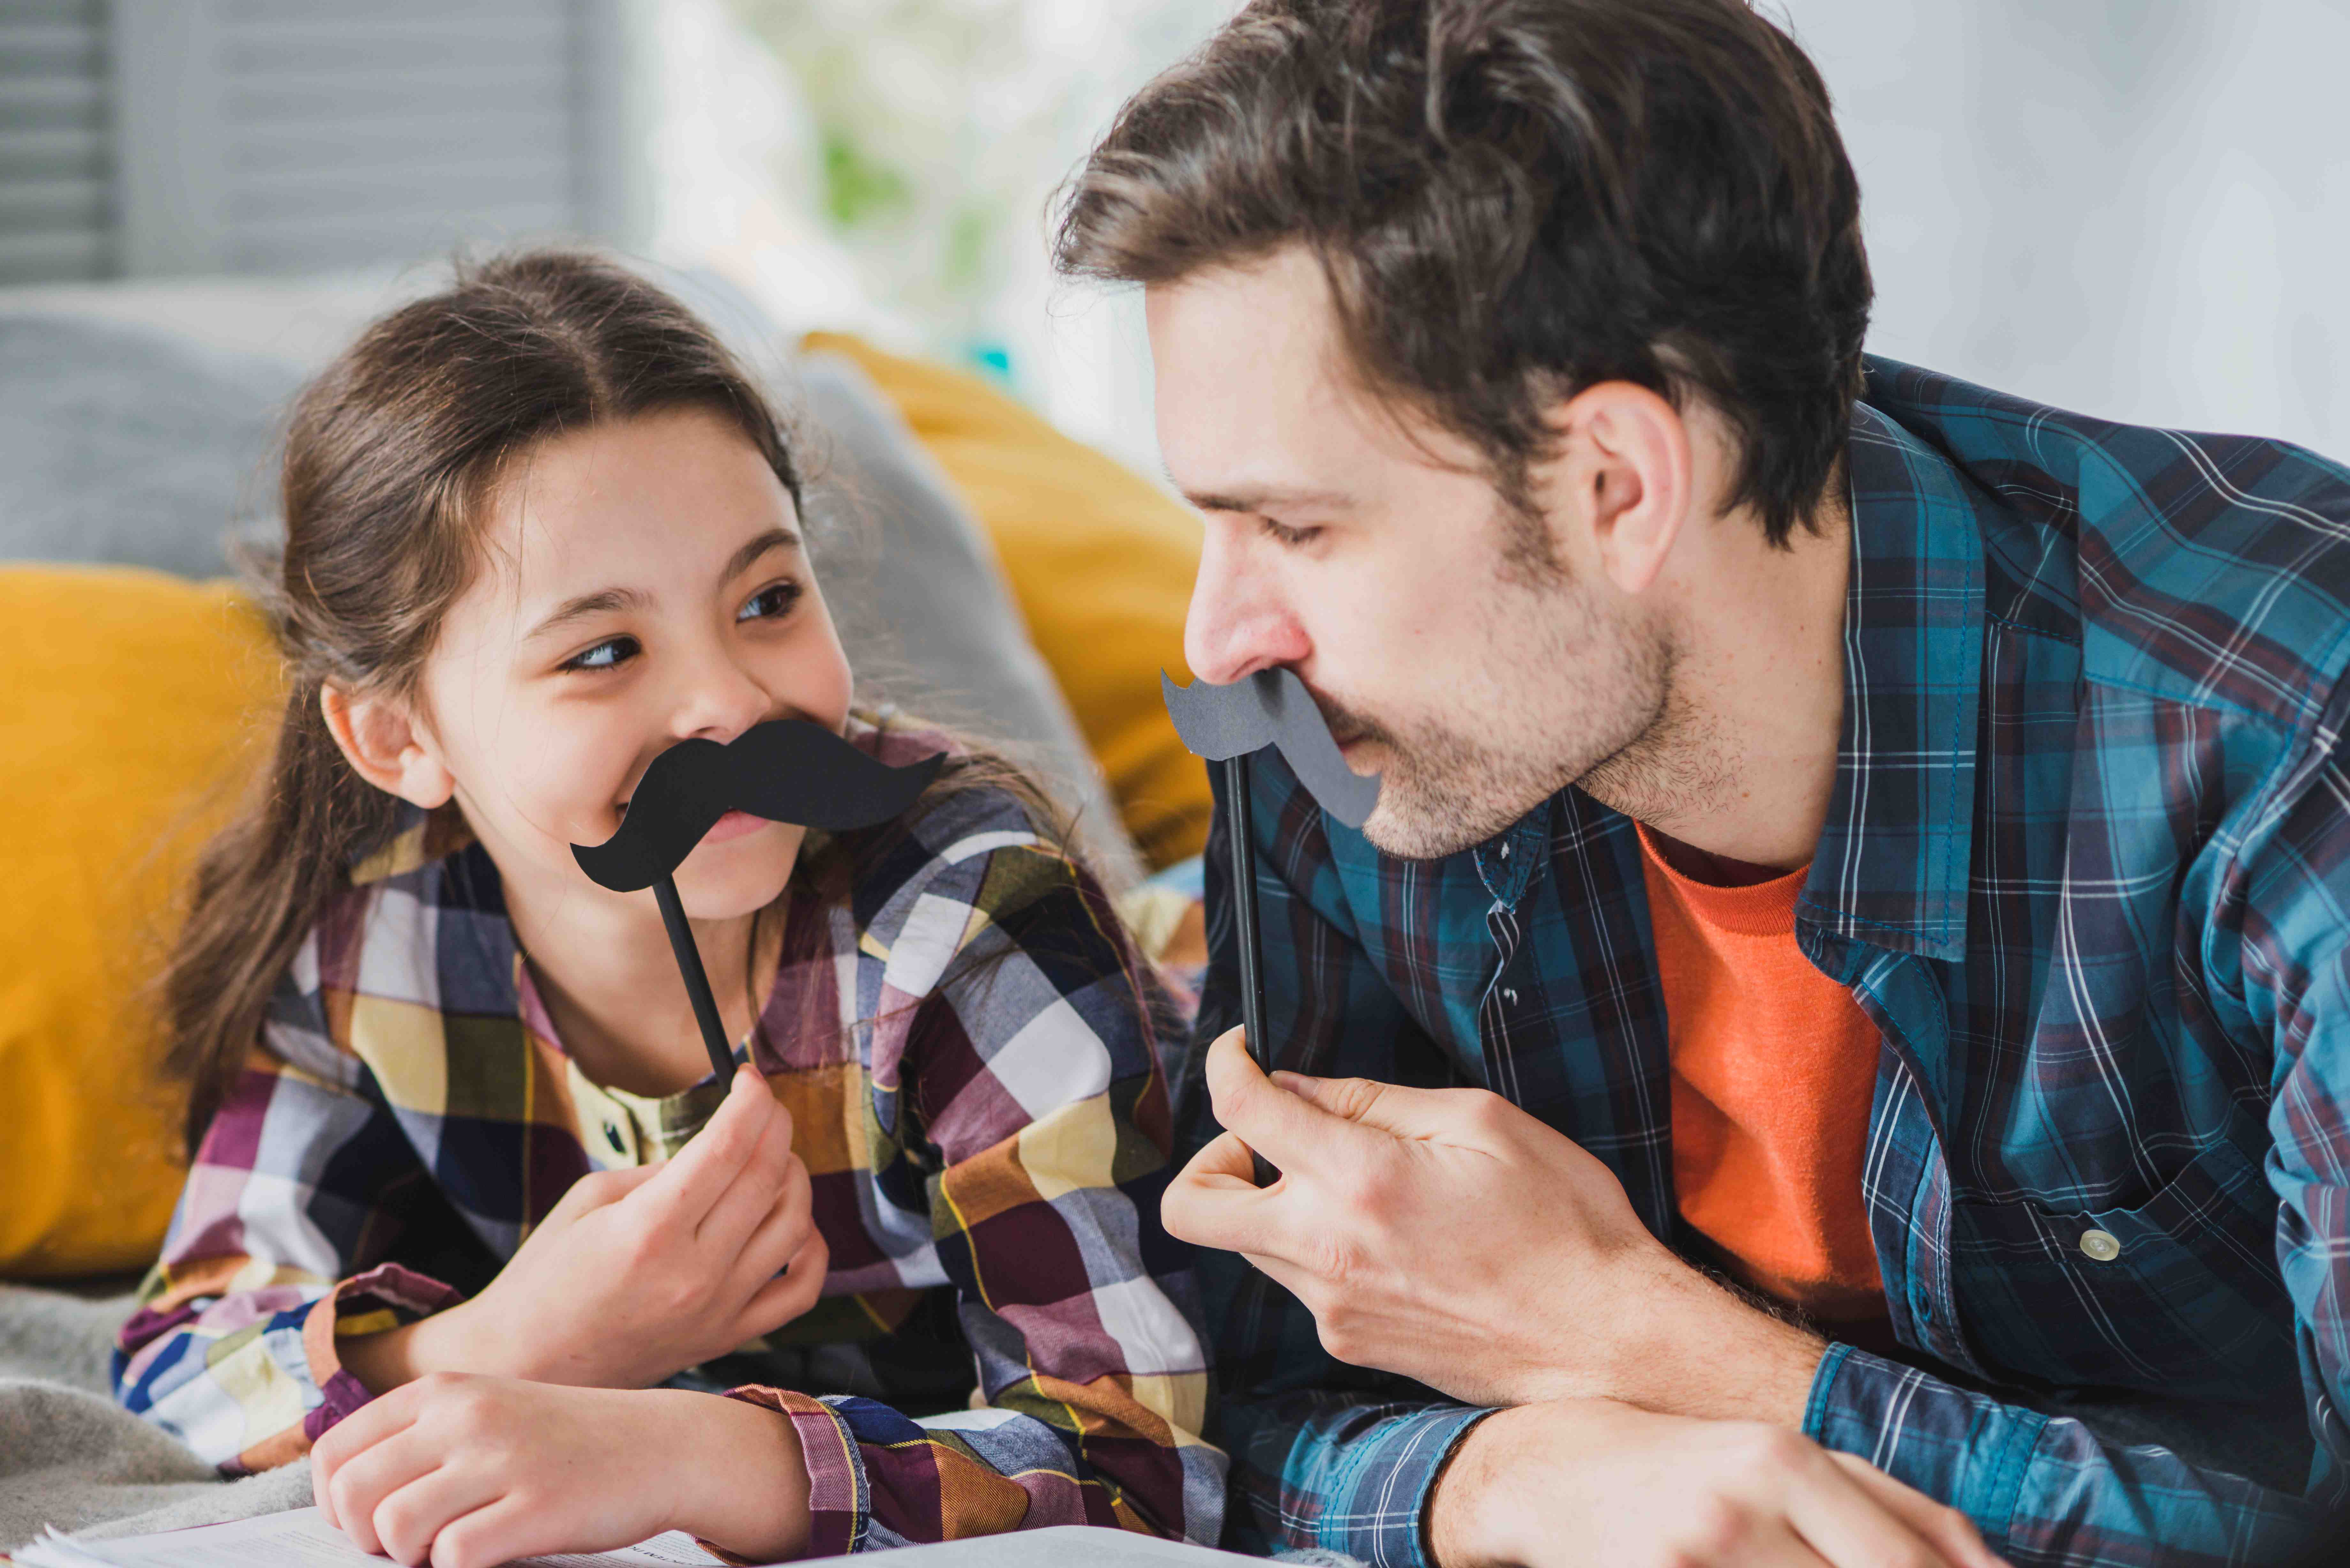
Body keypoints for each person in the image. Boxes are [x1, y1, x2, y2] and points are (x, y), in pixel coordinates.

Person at [1053, 1, 2350, 1564]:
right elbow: (1228, 1395)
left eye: (1299, 529)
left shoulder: (2285, 736)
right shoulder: (1333, 731)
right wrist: (1507, 1481)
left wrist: (1628, 1339)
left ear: (1616, 485)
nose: (1217, 633)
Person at [114, 251, 1223, 1567]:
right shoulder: (378, 948)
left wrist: (699, 1457)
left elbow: (1147, 1461)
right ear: (399, 738)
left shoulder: (968, 919)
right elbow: (182, 1356)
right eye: (603, 651)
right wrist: (516, 1343)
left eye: (767, 601)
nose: (731, 707)